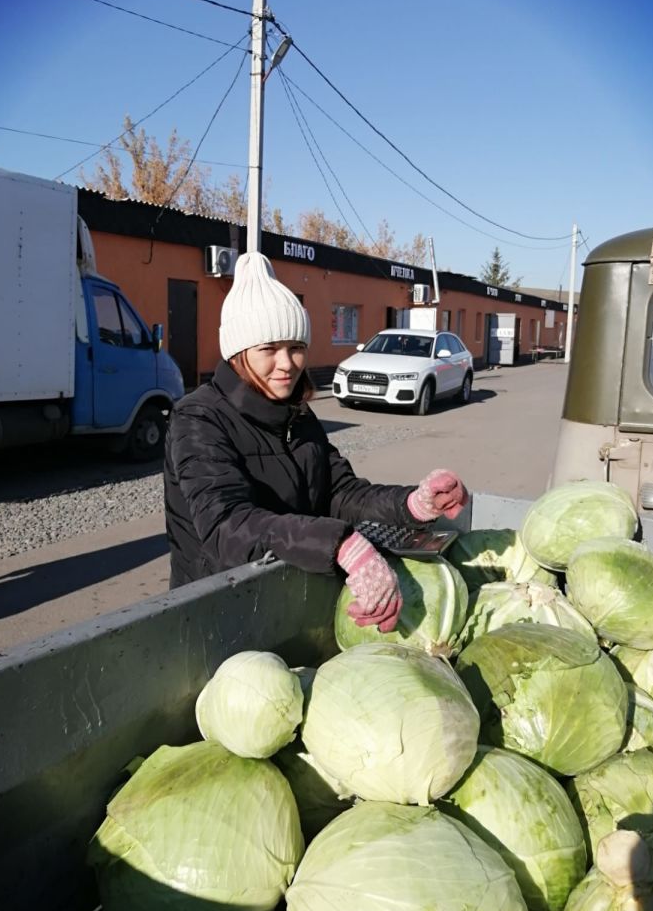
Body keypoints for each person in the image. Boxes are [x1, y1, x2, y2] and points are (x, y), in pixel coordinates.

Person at [164, 252, 469, 632]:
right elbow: (226, 525)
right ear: (238, 353)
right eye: (268, 349)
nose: (287, 363)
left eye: (295, 347)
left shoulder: (297, 413)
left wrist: (412, 503)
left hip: (287, 594)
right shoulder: (198, 418)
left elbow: (339, 493)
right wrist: (340, 545)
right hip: (217, 607)